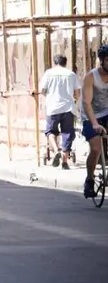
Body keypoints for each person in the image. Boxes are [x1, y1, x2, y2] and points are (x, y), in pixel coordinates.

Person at [39, 54, 80, 170]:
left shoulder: (48, 73)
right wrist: (75, 100)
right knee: (67, 133)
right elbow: (77, 93)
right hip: (68, 108)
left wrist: (49, 95)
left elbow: (42, 90)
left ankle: (56, 149)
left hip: (52, 107)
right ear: (65, 63)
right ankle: (65, 162)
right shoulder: (71, 74)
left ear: (55, 62)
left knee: (50, 131)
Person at [79, 44, 108, 198]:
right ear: (102, 61)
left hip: (107, 112)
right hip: (90, 115)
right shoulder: (91, 77)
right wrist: (95, 123)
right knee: (96, 148)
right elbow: (87, 103)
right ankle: (89, 180)